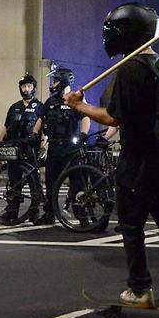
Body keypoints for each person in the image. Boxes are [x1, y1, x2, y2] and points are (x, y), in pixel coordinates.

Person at [65, 3, 159, 310]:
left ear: (127, 33)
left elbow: (114, 118)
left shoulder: (130, 69)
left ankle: (140, 289)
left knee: (132, 227)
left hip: (138, 161)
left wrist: (79, 106)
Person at [39, 65, 91, 226]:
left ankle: (82, 216)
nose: (52, 84)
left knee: (77, 183)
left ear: (63, 81)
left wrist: (83, 135)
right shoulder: (50, 101)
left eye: (55, 81)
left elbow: (86, 117)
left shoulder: (75, 98)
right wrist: (36, 134)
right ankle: (49, 214)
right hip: (54, 147)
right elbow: (42, 120)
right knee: (51, 182)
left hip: (71, 148)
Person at [0, 73, 46, 222]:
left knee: (34, 181)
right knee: (14, 180)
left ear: (34, 88)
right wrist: (0, 145)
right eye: (23, 86)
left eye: (29, 86)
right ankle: (12, 211)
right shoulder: (14, 107)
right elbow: (6, 127)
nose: (26, 89)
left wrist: (44, 144)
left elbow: (44, 127)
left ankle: (34, 211)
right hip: (14, 147)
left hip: (31, 148)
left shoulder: (40, 107)